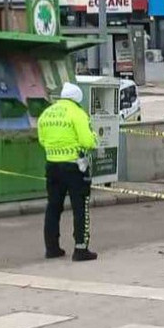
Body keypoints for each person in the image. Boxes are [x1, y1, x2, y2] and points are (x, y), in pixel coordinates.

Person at [38, 82, 99, 262]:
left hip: (52, 166)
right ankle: (81, 249)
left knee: (53, 207)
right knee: (80, 208)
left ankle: (52, 248)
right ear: (77, 99)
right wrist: (94, 137)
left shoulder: (47, 113)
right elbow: (88, 142)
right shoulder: (77, 113)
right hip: (74, 167)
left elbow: (42, 139)